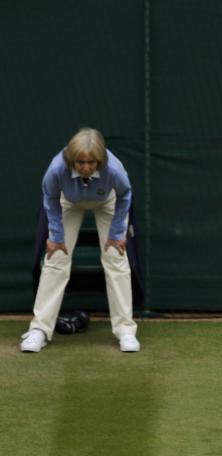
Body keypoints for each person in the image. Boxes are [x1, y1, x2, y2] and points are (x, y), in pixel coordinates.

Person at [20, 128, 140, 353]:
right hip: (69, 200)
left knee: (116, 257)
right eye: (80, 162)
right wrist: (56, 237)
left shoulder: (113, 169)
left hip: (106, 201)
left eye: (91, 162)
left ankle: (125, 330)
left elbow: (125, 195)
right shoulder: (56, 169)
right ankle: (39, 330)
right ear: (71, 160)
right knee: (56, 258)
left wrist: (116, 234)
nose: (86, 167)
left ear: (100, 161)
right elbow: (51, 197)